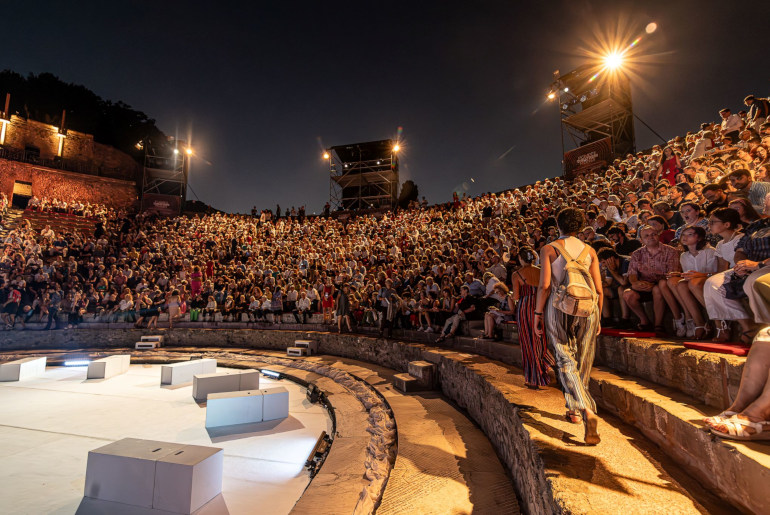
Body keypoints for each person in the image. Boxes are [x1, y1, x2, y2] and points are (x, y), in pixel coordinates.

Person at [534, 207, 603, 445]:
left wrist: (537, 314)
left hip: (559, 306)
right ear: (581, 226)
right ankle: (575, 410)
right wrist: (599, 316)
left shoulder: (549, 249)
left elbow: (544, 286)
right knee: (583, 360)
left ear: (557, 225)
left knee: (565, 359)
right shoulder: (591, 250)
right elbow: (599, 288)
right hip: (588, 308)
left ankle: (585, 409)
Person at [622, 225, 683, 335]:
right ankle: (644, 321)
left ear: (658, 235)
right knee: (627, 294)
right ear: (641, 240)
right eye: (646, 236)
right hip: (644, 284)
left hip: (662, 284)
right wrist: (635, 283)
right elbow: (632, 273)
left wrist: (654, 283)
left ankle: (658, 324)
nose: (651, 237)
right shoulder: (637, 254)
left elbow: (672, 273)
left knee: (657, 288)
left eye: (653, 234)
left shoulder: (670, 251)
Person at [510, 247, 554, 388]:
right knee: (541, 339)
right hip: (542, 306)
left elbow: (516, 296)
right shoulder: (541, 271)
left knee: (528, 342)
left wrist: (510, 296)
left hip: (526, 309)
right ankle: (546, 365)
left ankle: (534, 378)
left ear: (521, 259)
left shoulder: (517, 274)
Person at [667, 226, 717, 339]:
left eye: (690, 234)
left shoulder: (709, 251)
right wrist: (680, 275)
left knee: (691, 283)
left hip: (708, 280)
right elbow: (688, 273)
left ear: (699, 238)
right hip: (693, 282)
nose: (685, 237)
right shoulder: (684, 256)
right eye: (683, 235)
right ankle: (699, 323)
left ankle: (716, 319)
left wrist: (696, 275)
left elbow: (713, 272)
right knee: (680, 284)